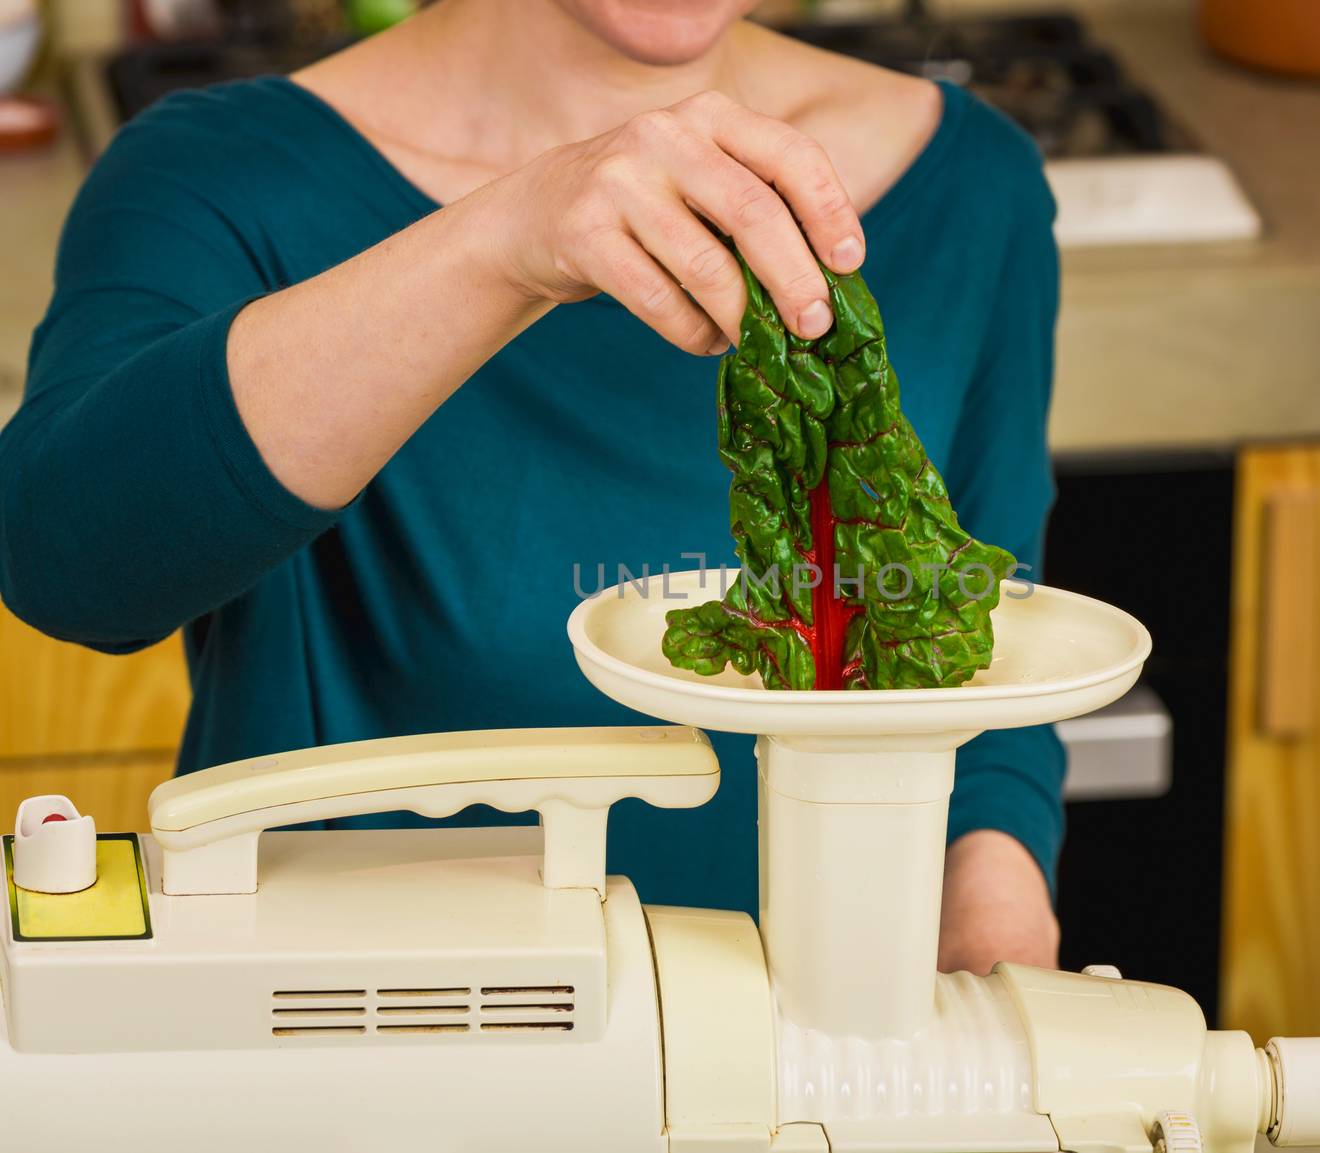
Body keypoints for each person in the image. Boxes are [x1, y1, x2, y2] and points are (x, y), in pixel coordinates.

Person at [0, 0, 1062, 974]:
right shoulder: (219, 179)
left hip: (809, 1075)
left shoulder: (970, 179)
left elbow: (988, 675)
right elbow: (68, 563)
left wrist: (996, 996)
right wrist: (510, 238)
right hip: (379, 1051)